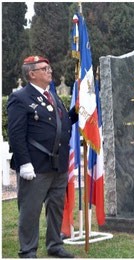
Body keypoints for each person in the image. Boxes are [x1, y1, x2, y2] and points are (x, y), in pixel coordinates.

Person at [8, 56, 78, 258]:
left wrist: (77, 110)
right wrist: (25, 164)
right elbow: (16, 134)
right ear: (32, 73)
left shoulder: (52, 96)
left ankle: (54, 245)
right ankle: (28, 250)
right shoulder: (20, 98)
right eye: (45, 68)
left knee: (56, 207)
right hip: (36, 166)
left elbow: (62, 125)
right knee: (30, 210)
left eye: (49, 67)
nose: (50, 71)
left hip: (58, 164)